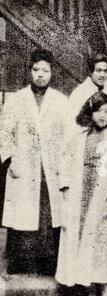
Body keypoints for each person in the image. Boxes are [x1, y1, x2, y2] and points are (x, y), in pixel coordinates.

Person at [56, 92, 107, 296]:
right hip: (81, 199)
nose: (102, 115)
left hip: (105, 202)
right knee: (83, 251)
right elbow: (65, 167)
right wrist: (66, 195)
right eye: (98, 110)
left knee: (103, 252)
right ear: (89, 112)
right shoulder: (78, 138)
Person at [0, 49, 68, 275]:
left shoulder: (60, 101)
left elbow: (68, 136)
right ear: (30, 71)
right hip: (24, 163)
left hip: (50, 165)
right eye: (36, 70)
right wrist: (11, 159)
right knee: (23, 210)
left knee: (48, 212)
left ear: (52, 73)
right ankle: (20, 261)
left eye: (45, 70)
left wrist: (63, 164)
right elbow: (3, 133)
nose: (40, 74)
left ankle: (48, 262)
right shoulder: (16, 99)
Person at [67, 53, 107, 138]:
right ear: (91, 72)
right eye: (98, 70)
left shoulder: (102, 91)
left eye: (105, 71)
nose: (102, 75)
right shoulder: (81, 93)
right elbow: (73, 125)